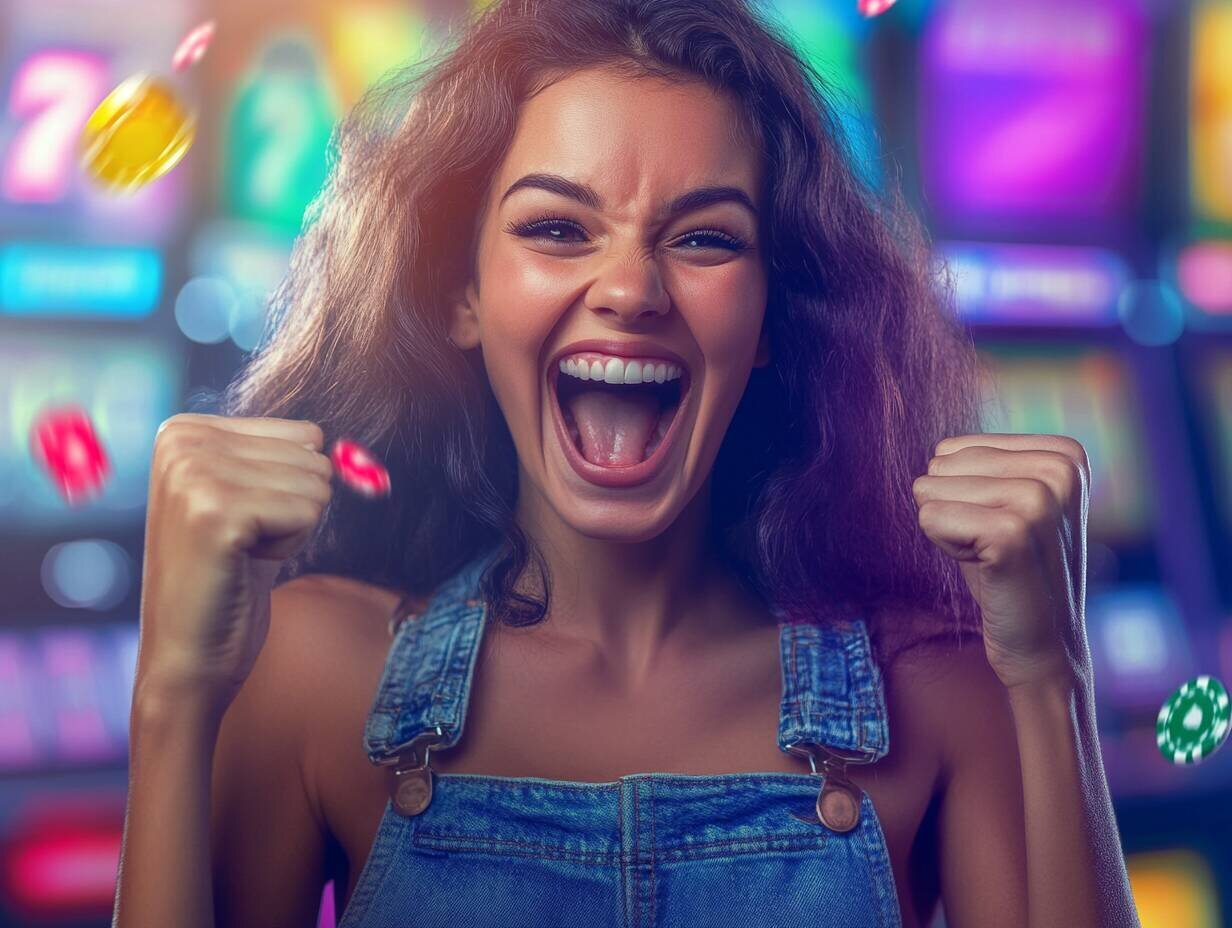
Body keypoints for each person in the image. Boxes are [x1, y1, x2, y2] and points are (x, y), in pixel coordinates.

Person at [111, 1, 1142, 926]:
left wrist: (1050, 675)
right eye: (558, 228)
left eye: (702, 240)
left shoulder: (937, 687)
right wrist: (170, 691)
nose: (630, 287)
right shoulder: (310, 671)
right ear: (457, 294)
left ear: (773, 314)